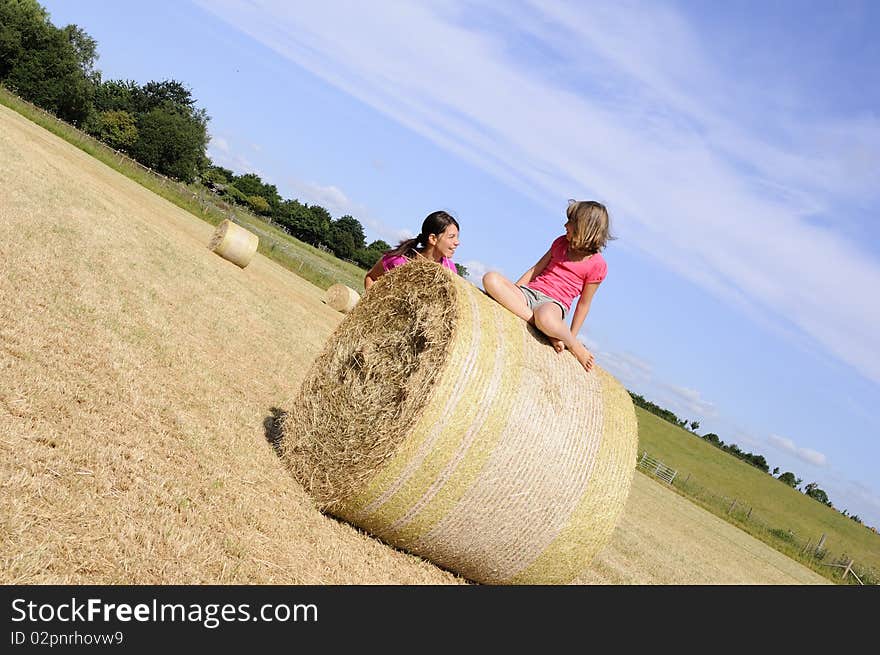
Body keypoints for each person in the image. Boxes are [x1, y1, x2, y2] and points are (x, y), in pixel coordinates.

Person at [482, 200, 611, 373]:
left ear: (583, 228)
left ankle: (573, 344)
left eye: (570, 222)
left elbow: (583, 304)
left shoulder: (598, 265)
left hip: (553, 305)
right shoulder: (560, 243)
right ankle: (544, 329)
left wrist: (571, 337)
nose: (565, 225)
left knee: (546, 318)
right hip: (530, 292)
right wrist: (515, 291)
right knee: (490, 279)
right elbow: (536, 269)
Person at [364, 210, 460, 290]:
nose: (457, 242)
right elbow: (371, 278)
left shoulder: (450, 269)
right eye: (451, 237)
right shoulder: (398, 260)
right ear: (433, 239)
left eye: (457, 237)